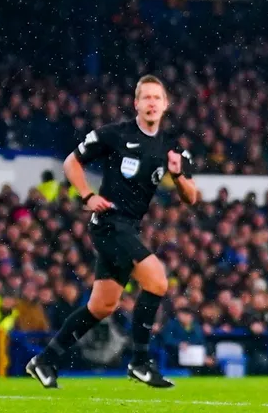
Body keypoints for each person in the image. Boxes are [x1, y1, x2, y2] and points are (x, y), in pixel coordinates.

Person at [26, 75, 199, 389]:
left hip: (129, 227)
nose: (150, 103)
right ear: (135, 104)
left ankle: (45, 359)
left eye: (156, 98)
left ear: (165, 105)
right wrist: (87, 195)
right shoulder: (115, 135)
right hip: (108, 223)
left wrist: (178, 176)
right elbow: (71, 163)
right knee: (157, 281)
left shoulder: (171, 148)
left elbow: (192, 197)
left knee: (102, 306)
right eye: (145, 97)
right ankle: (140, 362)